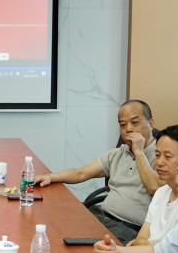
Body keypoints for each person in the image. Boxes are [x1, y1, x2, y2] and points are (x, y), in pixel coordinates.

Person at [35, 99, 160, 242]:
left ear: (151, 124)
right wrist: (50, 177)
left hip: (128, 228)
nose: (128, 129)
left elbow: (154, 188)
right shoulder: (117, 154)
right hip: (101, 215)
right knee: (55, 225)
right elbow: (81, 173)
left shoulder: (161, 156)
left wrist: (139, 153)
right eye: (122, 124)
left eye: (135, 122)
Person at [128, 124, 178, 248]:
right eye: (157, 155)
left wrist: (139, 246)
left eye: (168, 156)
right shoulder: (161, 192)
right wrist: (139, 245)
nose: (159, 163)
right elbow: (141, 237)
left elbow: (171, 251)